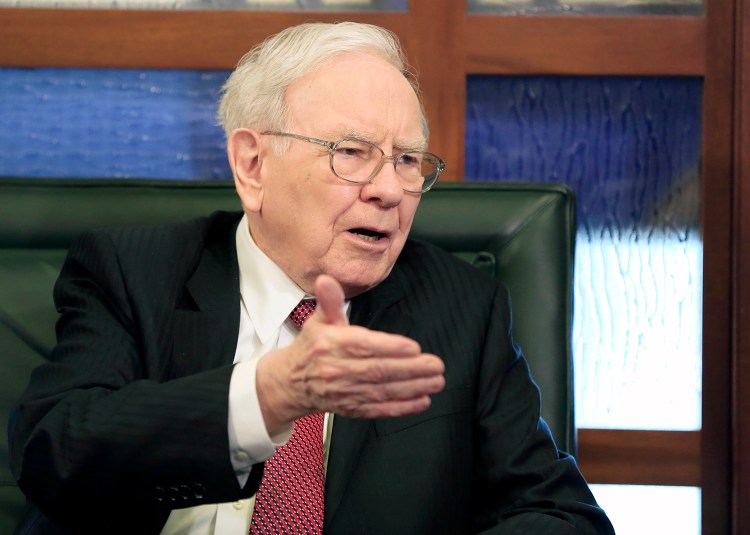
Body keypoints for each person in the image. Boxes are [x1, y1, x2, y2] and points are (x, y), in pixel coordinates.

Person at [8, 21, 614, 535]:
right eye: (351, 152)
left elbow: (559, 515)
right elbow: (54, 453)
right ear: (252, 165)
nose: (387, 190)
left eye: (407, 160)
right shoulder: (134, 272)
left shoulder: (462, 307)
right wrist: (268, 396)